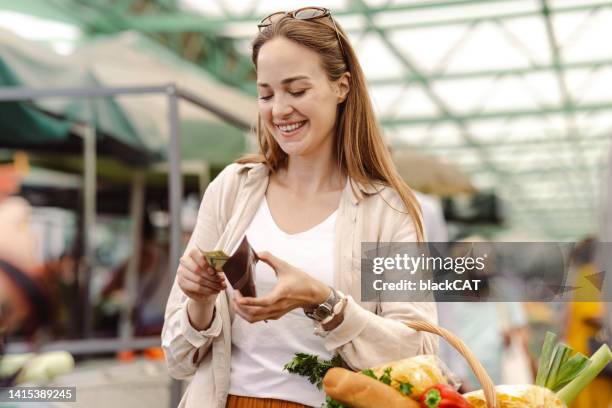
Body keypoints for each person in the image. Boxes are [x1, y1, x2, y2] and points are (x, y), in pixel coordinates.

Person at [162, 7, 437, 408]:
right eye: (266, 93)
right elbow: (177, 357)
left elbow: (419, 351)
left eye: (297, 90)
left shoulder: (388, 210)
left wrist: (323, 301)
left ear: (341, 87)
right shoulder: (231, 190)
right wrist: (199, 301)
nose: (279, 109)